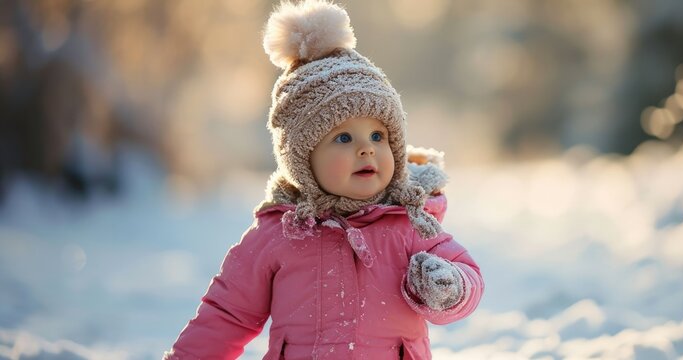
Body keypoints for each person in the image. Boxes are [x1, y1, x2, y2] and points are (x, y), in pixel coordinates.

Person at [163, 1, 484, 359]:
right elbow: (227, 314)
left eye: (378, 137)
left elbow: (468, 275)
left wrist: (451, 288)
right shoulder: (278, 233)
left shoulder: (410, 224)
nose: (366, 150)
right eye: (344, 139)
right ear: (302, 159)